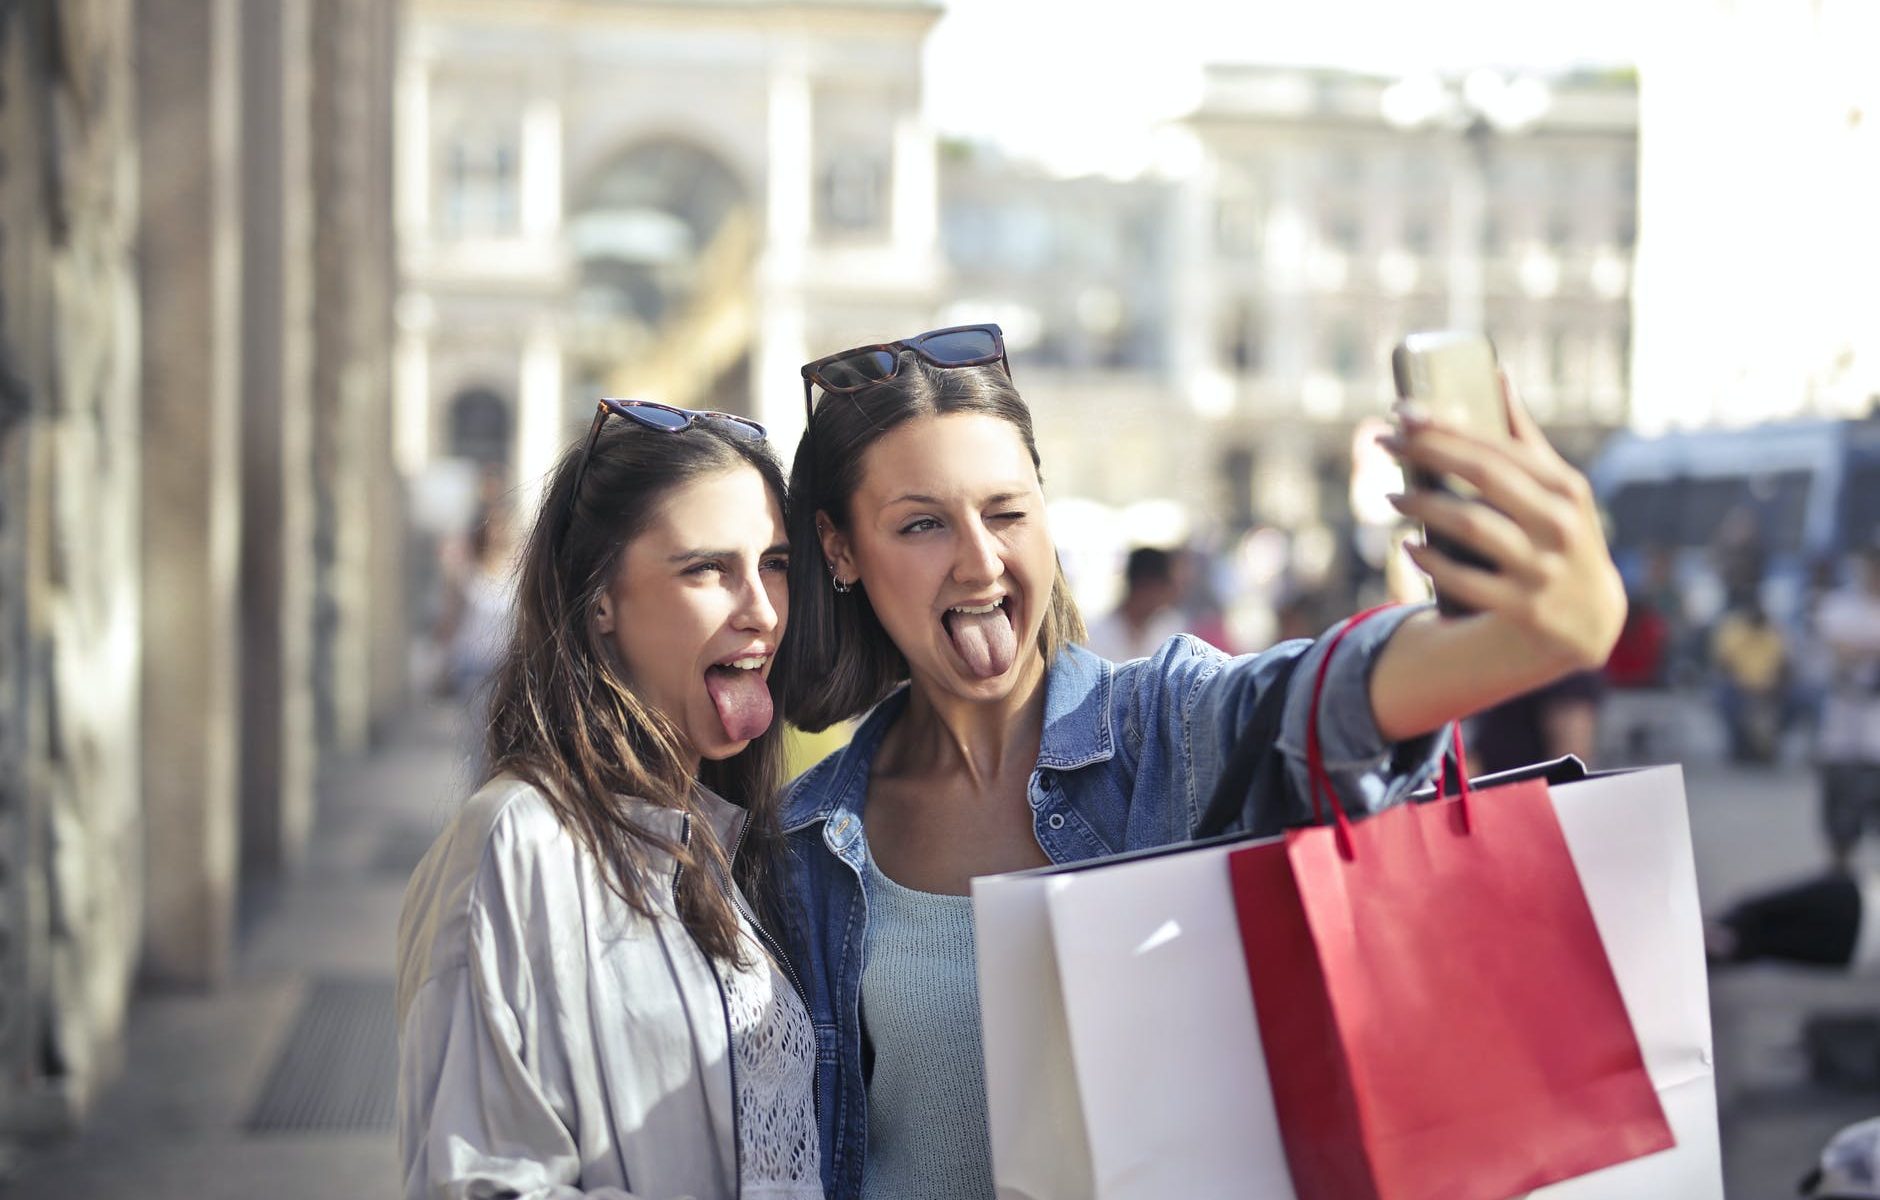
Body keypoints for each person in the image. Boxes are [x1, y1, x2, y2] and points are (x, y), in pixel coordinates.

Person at [770, 323, 1629, 1200]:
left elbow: (1315, 707)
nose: (981, 560)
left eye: (1006, 512)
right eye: (921, 524)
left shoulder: (1167, 726)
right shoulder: (804, 840)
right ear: (840, 549)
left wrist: (1516, 638)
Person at [395, 399, 820, 1200]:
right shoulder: (515, 843)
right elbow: (480, 1184)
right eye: (707, 568)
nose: (763, 610)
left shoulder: (731, 845)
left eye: (775, 564)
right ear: (600, 602)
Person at [1816, 545, 1880, 873]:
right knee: (1841, 807)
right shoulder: (1842, 604)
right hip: (1845, 717)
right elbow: (1838, 646)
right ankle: (1839, 873)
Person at [1083, 545, 1186, 662]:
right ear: (1146, 583)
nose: (1174, 592)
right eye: (1168, 584)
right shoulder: (1095, 634)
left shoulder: (1171, 630)